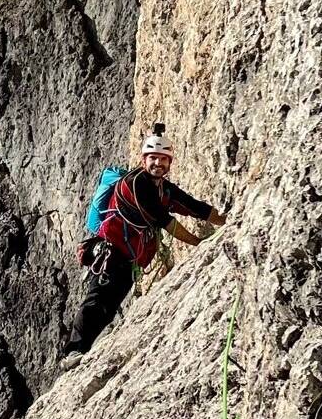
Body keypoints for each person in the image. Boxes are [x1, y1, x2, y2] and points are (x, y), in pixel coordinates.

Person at [66, 126, 227, 358]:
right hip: (110, 253)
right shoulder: (136, 184)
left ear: (169, 163)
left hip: (128, 260)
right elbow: (166, 221)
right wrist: (199, 242)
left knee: (108, 308)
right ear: (144, 160)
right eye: (153, 158)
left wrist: (226, 221)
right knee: (97, 301)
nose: (158, 164)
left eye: (163, 159)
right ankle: (74, 351)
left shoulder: (163, 188)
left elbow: (193, 206)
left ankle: (82, 350)